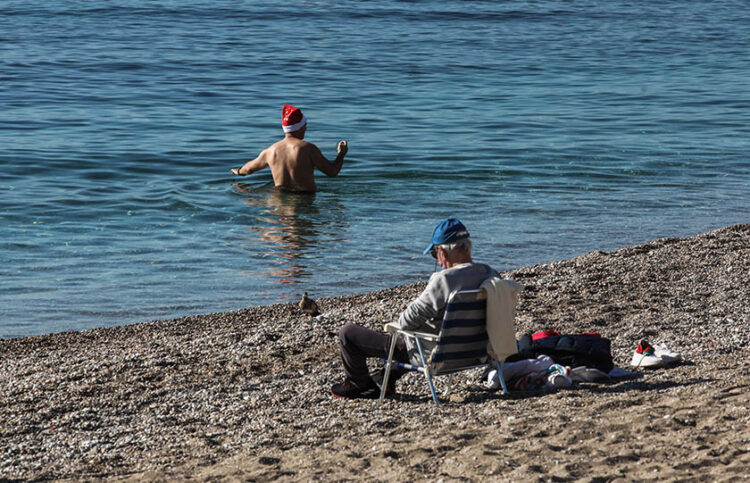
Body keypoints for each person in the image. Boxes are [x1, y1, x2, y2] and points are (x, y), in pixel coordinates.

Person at [331, 218, 500, 399]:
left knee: (348, 333)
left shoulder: (444, 280)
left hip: (435, 355)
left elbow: (405, 322)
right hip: (476, 353)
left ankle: (359, 384)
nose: (438, 260)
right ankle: (384, 379)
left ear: (442, 252)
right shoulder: (490, 274)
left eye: (435, 255)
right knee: (415, 335)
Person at [230, 105, 348, 192]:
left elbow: (248, 169)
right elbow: (332, 172)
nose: (306, 129)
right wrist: (341, 154)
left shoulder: (269, 151)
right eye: (305, 126)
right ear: (300, 128)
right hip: (305, 199)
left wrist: (238, 171)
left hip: (279, 198)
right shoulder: (308, 148)